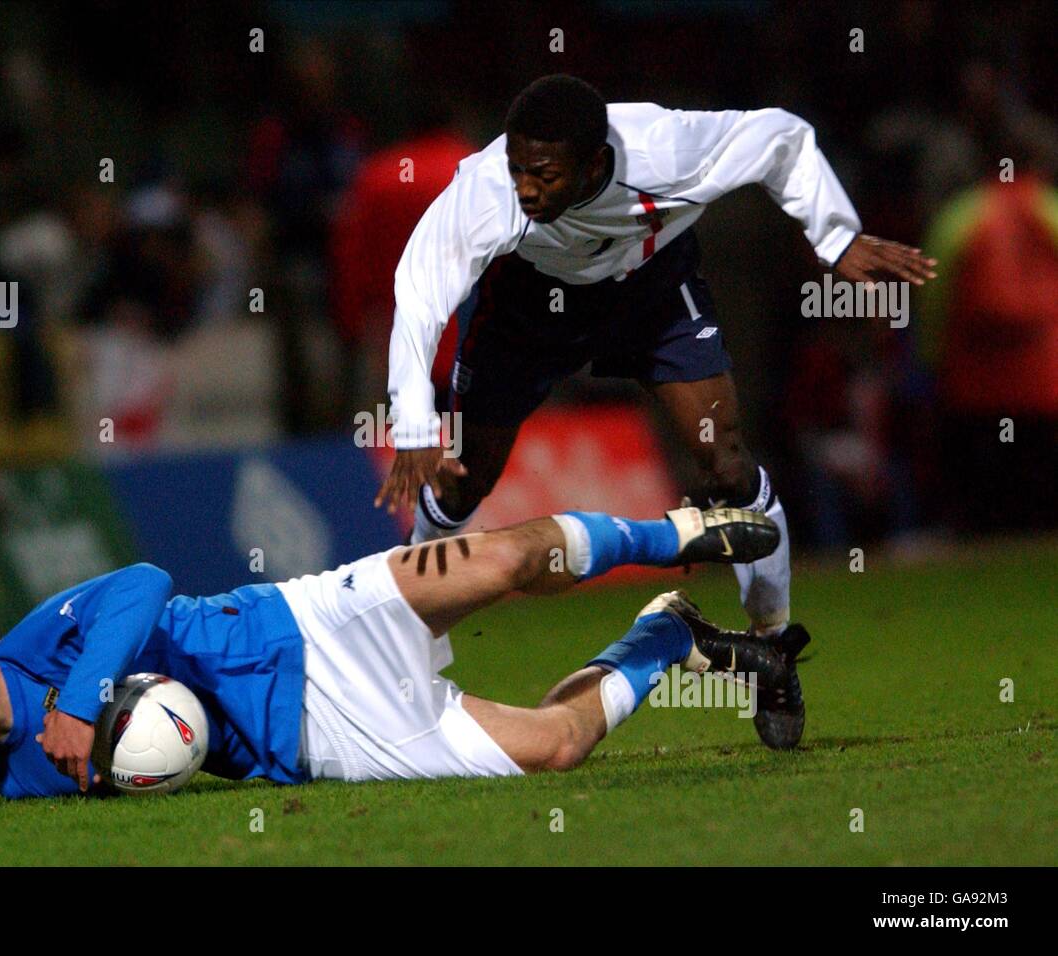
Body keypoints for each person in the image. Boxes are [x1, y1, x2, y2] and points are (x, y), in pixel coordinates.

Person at [375, 75, 935, 750]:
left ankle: (773, 649)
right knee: (466, 475)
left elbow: (780, 136)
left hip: (652, 290)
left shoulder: (667, 149)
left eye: (544, 175)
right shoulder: (486, 188)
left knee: (725, 460)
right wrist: (412, 426)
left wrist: (835, 236)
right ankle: (400, 638)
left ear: (596, 163)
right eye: (519, 169)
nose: (524, 187)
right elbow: (420, 286)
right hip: (531, 302)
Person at [0, 505, 805, 798]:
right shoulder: (25, 784)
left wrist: (80, 696)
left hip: (305, 618)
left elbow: (144, 582)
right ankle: (670, 631)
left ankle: (676, 529)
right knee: (557, 746)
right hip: (320, 739)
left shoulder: (35, 639)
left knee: (508, 558)